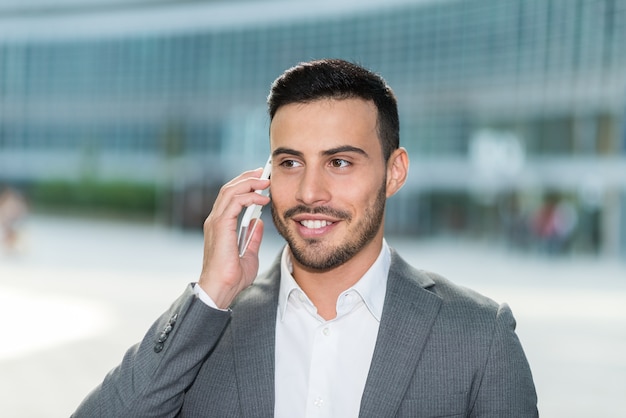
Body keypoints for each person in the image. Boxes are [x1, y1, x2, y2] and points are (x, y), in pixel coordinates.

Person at [73, 59, 538, 417]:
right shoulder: (212, 327)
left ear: (394, 173)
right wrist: (210, 296)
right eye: (291, 163)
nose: (310, 192)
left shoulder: (478, 335)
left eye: (340, 162)